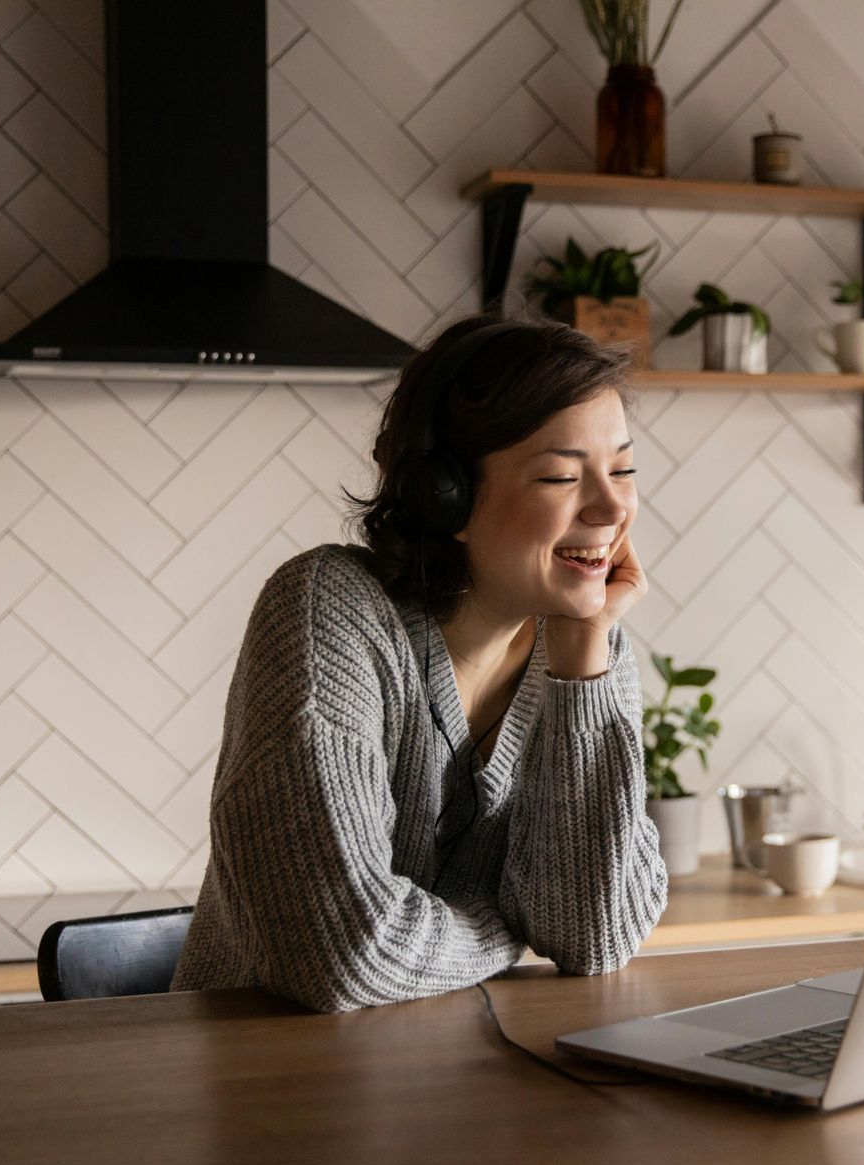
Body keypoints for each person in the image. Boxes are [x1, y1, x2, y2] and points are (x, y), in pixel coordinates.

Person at [171, 314, 667, 1011]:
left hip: (456, 1085)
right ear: (445, 497)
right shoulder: (328, 611)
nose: (613, 507)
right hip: (268, 1087)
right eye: (561, 476)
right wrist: (506, 926)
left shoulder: (590, 654)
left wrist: (584, 667)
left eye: (623, 469)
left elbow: (593, 938)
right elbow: (343, 952)